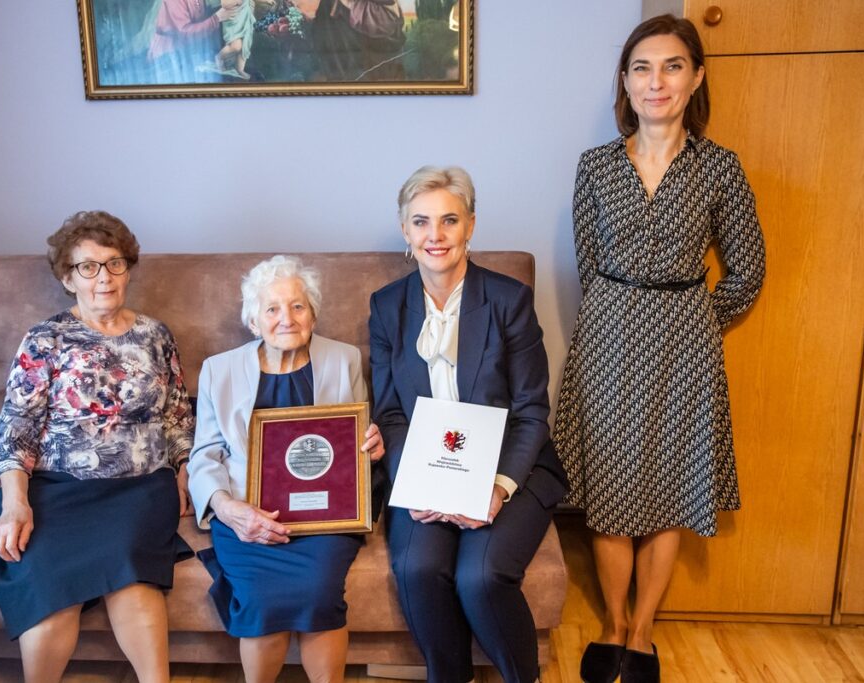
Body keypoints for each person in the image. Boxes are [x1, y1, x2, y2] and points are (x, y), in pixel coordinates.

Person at [554, 14, 766, 683]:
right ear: (625, 80)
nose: (657, 81)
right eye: (643, 67)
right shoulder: (595, 167)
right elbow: (590, 267)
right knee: (611, 490)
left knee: (671, 491)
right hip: (610, 339)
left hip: (685, 346)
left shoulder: (720, 169)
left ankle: (642, 634)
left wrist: (701, 317)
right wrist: (622, 315)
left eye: (673, 66)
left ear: (696, 76)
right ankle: (612, 625)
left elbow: (749, 268)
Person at [369, 166, 568, 683]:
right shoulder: (387, 306)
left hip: (508, 467)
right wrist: (410, 480)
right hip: (429, 468)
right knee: (418, 569)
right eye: (421, 222)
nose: (435, 235)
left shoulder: (507, 300)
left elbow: (530, 411)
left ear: (471, 227)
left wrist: (497, 489)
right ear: (405, 230)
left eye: (449, 220)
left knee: (479, 578)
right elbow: (390, 413)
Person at [0, 211, 195, 683]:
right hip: (53, 487)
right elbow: (16, 427)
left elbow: (178, 416)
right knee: (51, 588)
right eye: (88, 267)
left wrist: (186, 475)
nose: (104, 277)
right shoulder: (46, 338)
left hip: (139, 487)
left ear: (128, 268)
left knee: (132, 576)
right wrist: (15, 502)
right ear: (67, 277)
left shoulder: (155, 335)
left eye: (114, 264)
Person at [187, 255, 385, 683]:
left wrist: (367, 446)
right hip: (247, 510)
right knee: (259, 596)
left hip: (327, 516)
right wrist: (227, 509)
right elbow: (204, 454)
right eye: (272, 309)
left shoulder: (343, 359)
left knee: (318, 589)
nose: (286, 319)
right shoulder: (218, 371)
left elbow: (354, 440)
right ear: (253, 321)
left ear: (313, 313)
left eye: (298, 306)